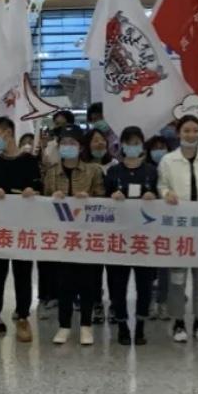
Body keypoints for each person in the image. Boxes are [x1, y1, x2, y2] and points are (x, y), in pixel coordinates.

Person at [157, 115, 198, 343]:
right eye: (186, 131)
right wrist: (167, 194)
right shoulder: (168, 160)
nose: (191, 135)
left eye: (195, 130)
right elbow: (162, 185)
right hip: (178, 227)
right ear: (179, 133)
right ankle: (177, 322)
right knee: (177, 278)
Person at [0, 116, 41, 344]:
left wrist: (32, 192)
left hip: (23, 229)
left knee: (23, 275)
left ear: (8, 133)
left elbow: (40, 189)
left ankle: (23, 317)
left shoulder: (30, 162)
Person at [41, 126, 105, 345]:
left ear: (81, 147)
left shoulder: (93, 171)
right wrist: (53, 199)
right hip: (61, 237)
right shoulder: (50, 172)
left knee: (87, 282)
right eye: (64, 144)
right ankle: (64, 325)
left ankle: (86, 325)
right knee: (64, 282)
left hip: (86, 236)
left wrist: (89, 199)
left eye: (73, 143)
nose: (68, 147)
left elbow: (102, 198)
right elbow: (43, 203)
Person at [104, 125, 158, 345]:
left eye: (137, 143)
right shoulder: (113, 172)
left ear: (142, 145)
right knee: (118, 284)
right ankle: (122, 325)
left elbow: (162, 196)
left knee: (145, 284)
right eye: (129, 143)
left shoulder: (151, 171)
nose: (132, 147)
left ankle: (141, 325)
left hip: (144, 238)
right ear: (122, 145)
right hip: (118, 237)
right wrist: (111, 196)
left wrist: (153, 196)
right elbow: (101, 201)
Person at [84, 126, 115, 324]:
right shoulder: (82, 167)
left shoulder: (115, 165)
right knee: (93, 270)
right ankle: (96, 303)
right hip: (90, 228)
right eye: (95, 140)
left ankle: (114, 303)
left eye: (102, 139)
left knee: (113, 268)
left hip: (113, 227)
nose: (99, 143)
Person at [144, 133, 172, 322]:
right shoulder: (146, 170)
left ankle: (163, 302)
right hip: (146, 227)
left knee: (165, 269)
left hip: (167, 227)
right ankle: (149, 303)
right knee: (148, 270)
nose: (159, 152)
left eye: (163, 147)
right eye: (155, 148)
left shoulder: (171, 170)